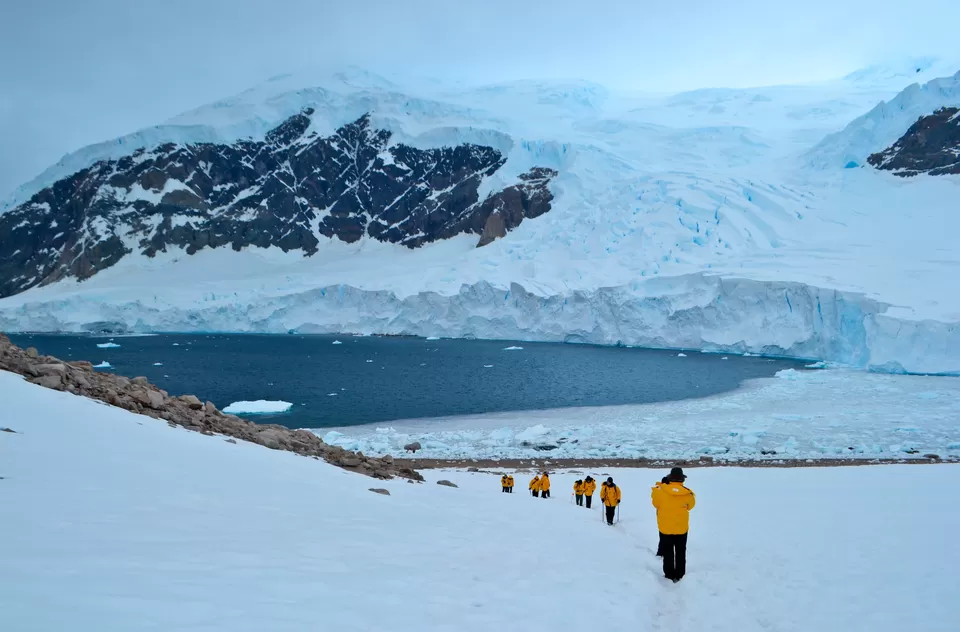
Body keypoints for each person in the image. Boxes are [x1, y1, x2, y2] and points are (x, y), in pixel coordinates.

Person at [651, 467, 696, 583]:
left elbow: (655, 503)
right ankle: (680, 574)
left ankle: (669, 574)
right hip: (681, 528)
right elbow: (691, 506)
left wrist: (661, 485)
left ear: (669, 477)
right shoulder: (688, 493)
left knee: (668, 551)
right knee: (681, 551)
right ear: (682, 479)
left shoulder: (661, 490)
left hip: (665, 528)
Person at [653, 476, 670, 556]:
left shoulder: (658, 490)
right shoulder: (661, 490)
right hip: (665, 515)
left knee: (663, 535)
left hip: (662, 515)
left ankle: (661, 552)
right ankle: (661, 553)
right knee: (665, 536)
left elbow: (655, 503)